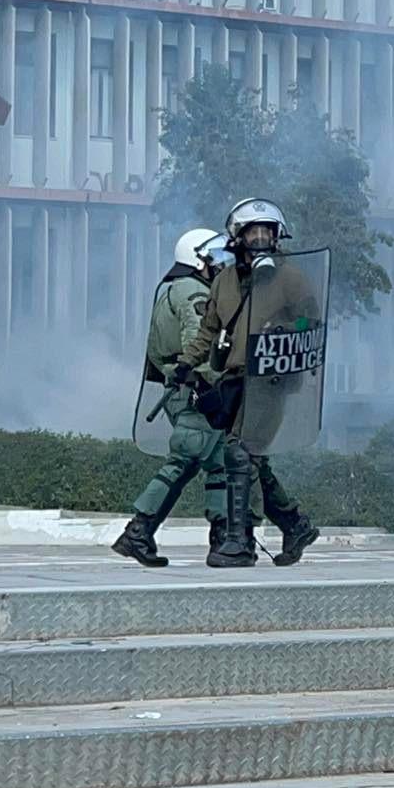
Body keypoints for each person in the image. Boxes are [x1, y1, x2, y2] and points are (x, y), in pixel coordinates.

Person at [179, 198, 322, 569]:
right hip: (234, 380)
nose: (260, 238)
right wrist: (184, 364)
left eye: (267, 232)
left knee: (240, 453)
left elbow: (312, 324)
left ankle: (240, 542)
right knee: (253, 459)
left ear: (277, 237)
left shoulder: (291, 277)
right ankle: (295, 524)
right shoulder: (224, 281)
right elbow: (209, 331)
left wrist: (286, 330)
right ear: (236, 238)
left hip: (272, 380)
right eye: (252, 232)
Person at [111, 228, 229, 567]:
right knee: (201, 461)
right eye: (215, 258)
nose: (221, 264)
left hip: (180, 390)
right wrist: (211, 389)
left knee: (199, 460)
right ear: (198, 259)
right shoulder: (193, 291)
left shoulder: (171, 288)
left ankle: (142, 534)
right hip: (196, 390)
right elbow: (199, 343)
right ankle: (143, 532)